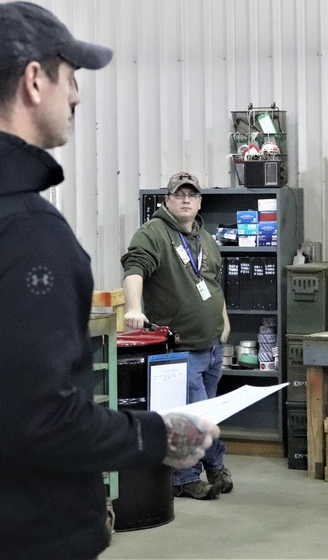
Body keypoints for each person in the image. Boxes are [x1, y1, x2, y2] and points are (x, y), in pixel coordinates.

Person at [0, 1, 219, 560]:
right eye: (72, 76)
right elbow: (41, 421)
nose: (78, 95)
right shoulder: (26, 231)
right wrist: (157, 435)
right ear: (35, 80)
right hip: (20, 536)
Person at [121, 171, 233, 500]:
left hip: (212, 346)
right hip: (180, 347)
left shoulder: (206, 239)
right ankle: (186, 477)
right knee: (192, 417)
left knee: (206, 414)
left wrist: (224, 321)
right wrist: (133, 307)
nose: (186, 200)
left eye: (192, 195)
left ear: (200, 202)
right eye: (179, 194)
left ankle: (213, 468)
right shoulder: (153, 233)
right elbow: (134, 268)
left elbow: (212, 284)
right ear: (167, 200)